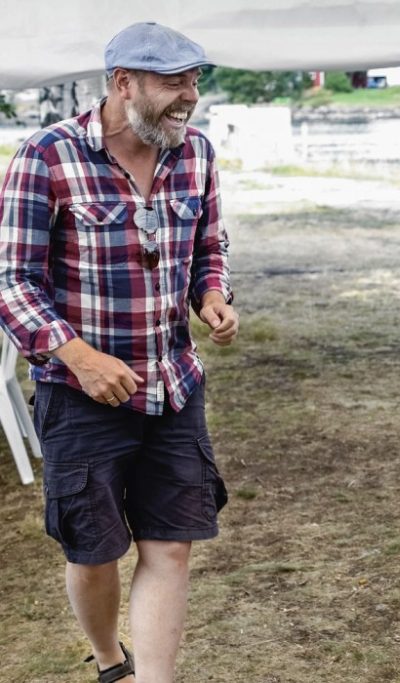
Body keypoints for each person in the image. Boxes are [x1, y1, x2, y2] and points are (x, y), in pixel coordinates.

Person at [0, 22, 238, 683]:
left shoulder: (196, 154)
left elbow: (207, 247)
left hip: (175, 388)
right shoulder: (46, 157)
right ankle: (111, 662)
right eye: (173, 83)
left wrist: (212, 295)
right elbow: (11, 279)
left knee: (171, 548)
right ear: (122, 84)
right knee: (93, 550)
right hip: (81, 397)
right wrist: (76, 354)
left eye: (194, 81)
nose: (189, 97)